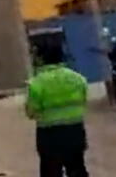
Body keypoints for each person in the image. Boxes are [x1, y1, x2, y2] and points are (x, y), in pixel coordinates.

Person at [26, 44, 89, 177]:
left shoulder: (37, 83)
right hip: (75, 131)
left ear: (41, 59)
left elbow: (31, 112)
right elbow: (83, 102)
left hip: (49, 136)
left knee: (51, 171)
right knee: (77, 168)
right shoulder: (78, 79)